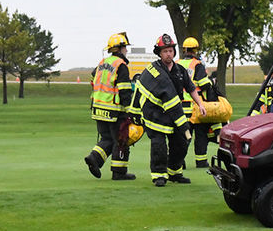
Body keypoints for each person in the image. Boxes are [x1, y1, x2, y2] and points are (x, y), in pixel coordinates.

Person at [130, 33, 207, 186]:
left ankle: (175, 172)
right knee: (159, 146)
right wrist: (134, 112)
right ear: (159, 53)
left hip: (174, 113)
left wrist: (200, 104)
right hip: (156, 115)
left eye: (171, 50)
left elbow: (191, 88)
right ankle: (159, 175)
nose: (168, 54)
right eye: (165, 51)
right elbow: (139, 90)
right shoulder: (153, 71)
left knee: (181, 143)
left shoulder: (180, 70)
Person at [84, 33, 136, 181]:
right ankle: (119, 172)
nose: (126, 50)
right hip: (115, 111)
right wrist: (130, 112)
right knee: (121, 140)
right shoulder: (121, 65)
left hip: (98, 108)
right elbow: (125, 91)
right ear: (120, 48)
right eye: (125, 47)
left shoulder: (102, 63)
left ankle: (94, 158)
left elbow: (93, 78)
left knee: (107, 138)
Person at [177, 37, 220, 168]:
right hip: (196, 106)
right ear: (196, 50)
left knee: (184, 135)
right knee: (201, 135)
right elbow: (203, 84)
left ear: (184, 50)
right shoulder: (197, 64)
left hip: (179, 107)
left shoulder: (176, 63)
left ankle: (179, 161)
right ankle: (201, 161)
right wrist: (211, 82)